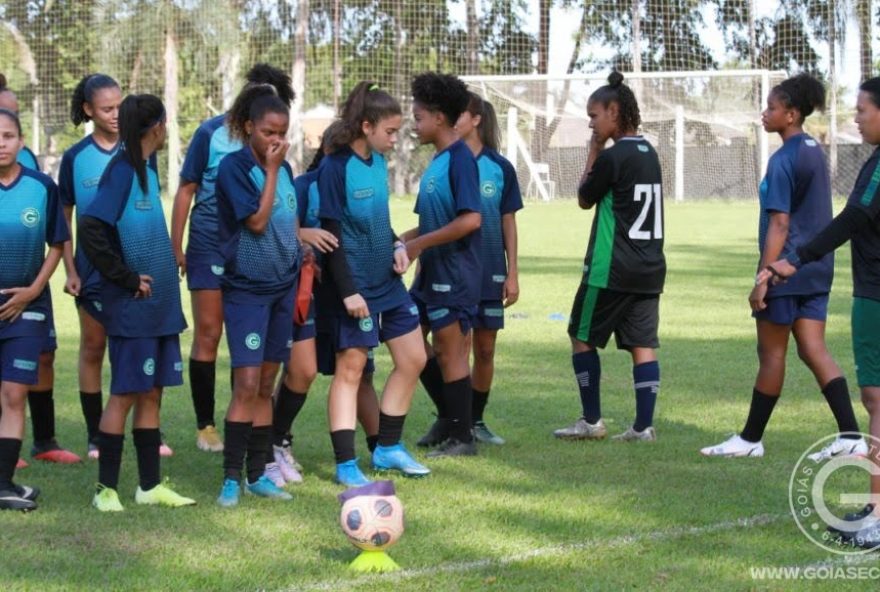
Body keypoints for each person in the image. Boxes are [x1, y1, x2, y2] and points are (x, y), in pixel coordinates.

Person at [702, 74, 865, 459]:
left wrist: (763, 277)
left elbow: (780, 223)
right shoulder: (813, 150)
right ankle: (851, 436)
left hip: (786, 272)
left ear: (791, 114)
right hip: (816, 269)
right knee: (813, 349)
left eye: (772, 108)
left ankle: (749, 440)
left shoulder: (785, 158)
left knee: (771, 355)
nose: (765, 113)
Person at [758, 76, 880, 549]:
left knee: (876, 401)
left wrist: (795, 258)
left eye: (863, 110)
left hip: (874, 294)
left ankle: (875, 514)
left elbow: (852, 219)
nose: (856, 117)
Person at [171, 64, 295, 453]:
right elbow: (187, 189)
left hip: (253, 252)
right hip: (209, 243)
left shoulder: (274, 150)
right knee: (208, 333)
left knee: (249, 343)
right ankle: (206, 425)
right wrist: (178, 245)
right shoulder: (211, 133)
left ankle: (242, 421)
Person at [79, 94, 195, 511]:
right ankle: (105, 490)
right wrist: (125, 277)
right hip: (133, 307)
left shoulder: (146, 168)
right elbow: (91, 227)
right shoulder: (123, 170)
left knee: (153, 392)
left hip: (160, 306)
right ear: (157, 127)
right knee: (126, 393)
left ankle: (148, 487)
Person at [317, 81, 428, 487]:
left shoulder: (378, 163)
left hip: (387, 280)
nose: (395, 139)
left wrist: (398, 243)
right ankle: (346, 463)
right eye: (390, 131)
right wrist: (348, 291)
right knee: (352, 367)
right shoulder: (334, 168)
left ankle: (387, 447)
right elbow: (331, 235)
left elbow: (376, 221)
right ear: (366, 126)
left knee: (414, 357)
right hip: (355, 286)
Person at [553, 71, 665, 443]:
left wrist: (593, 151)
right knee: (642, 345)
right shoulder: (651, 154)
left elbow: (584, 198)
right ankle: (643, 427)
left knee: (580, 335)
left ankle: (591, 420)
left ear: (614, 112)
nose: (591, 123)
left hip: (610, 268)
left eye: (594, 116)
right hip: (649, 268)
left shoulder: (612, 156)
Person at [214, 86, 300, 507]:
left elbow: (289, 224)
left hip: (283, 289)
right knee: (246, 383)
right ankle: (231, 478)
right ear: (249, 127)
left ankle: (257, 474)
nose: (276, 140)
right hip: (247, 291)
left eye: (282, 132)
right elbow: (258, 222)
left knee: (266, 383)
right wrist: (270, 169)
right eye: (269, 131)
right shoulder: (236, 169)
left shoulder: (284, 169)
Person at [0, 74, 80, 465]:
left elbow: (57, 240)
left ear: (20, 139)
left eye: (9, 132)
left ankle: (43, 441)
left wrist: (33, 289)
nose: (2, 141)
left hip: (32, 295)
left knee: (38, 362)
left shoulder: (39, 184)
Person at [402, 72, 482, 458]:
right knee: (411, 341)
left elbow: (471, 220)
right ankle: (450, 418)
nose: (414, 125)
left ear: (438, 118)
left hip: (455, 274)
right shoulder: (437, 162)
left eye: (417, 117)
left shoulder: (461, 160)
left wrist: (418, 244)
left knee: (450, 354)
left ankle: (462, 438)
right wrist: (403, 239)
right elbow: (433, 220)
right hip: (429, 275)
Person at [267, 121, 342, 485]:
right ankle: (267, 447)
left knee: (310, 370)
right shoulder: (302, 184)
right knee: (287, 370)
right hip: (292, 287)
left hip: (332, 291)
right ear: (327, 151)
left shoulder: (358, 180)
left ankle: (277, 439)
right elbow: (274, 227)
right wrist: (303, 234)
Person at [59, 73, 123, 460]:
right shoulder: (75, 158)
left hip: (134, 267)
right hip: (91, 269)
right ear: (88, 110)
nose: (116, 114)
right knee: (93, 347)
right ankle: (95, 433)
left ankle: (150, 427)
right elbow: (64, 218)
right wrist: (70, 268)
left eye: (120, 105)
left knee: (133, 347)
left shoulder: (138, 150)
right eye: (107, 108)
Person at [455, 92, 522, 445]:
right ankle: (457, 420)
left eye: (459, 113)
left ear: (476, 119)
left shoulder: (500, 168)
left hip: (491, 270)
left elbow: (508, 221)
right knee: (455, 348)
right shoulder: (448, 162)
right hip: (457, 272)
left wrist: (512, 273)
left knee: (485, 349)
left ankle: (476, 420)